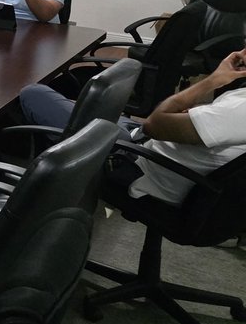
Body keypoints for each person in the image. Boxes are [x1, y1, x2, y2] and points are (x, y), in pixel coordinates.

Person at [19, 46, 246, 206]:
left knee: (33, 93)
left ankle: (43, 194)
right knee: (76, 104)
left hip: (131, 161)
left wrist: (213, 79)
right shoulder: (238, 105)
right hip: (143, 145)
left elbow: (153, 124)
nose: (241, 52)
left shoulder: (240, 110)